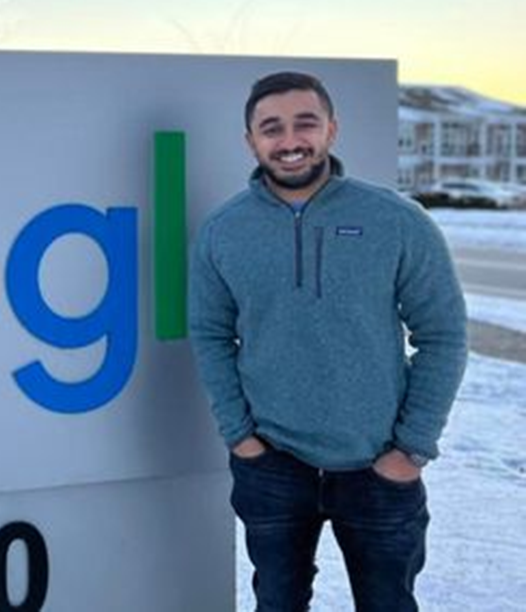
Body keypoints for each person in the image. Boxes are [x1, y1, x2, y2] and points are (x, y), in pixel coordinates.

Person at [188, 71, 468, 612]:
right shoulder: (224, 231)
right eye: (271, 128)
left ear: (331, 130)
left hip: (378, 468)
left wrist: (410, 448)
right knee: (277, 604)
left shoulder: (397, 221)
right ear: (251, 141)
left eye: (305, 123)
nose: (289, 141)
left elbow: (444, 335)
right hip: (272, 466)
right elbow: (211, 335)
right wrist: (241, 437)